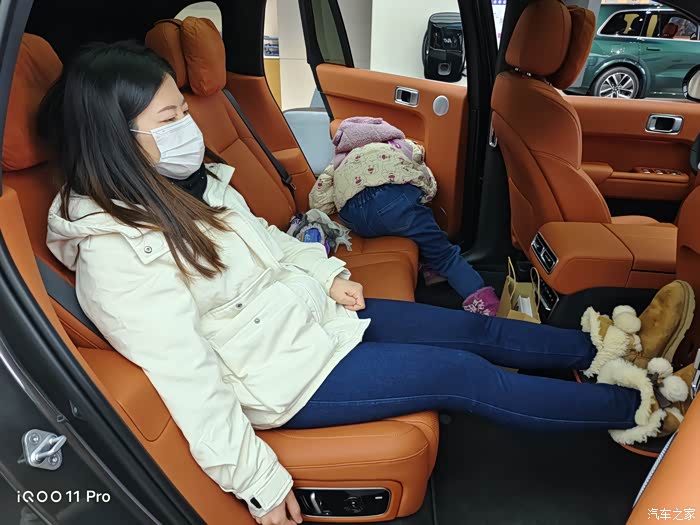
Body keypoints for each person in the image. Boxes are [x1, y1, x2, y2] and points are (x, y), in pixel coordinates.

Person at [40, 42, 694, 525]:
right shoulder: (114, 252)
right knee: (464, 375)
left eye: (186, 108)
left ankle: (608, 351)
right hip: (279, 376)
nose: (189, 126)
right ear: (116, 138)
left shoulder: (187, 183)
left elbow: (267, 241)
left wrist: (327, 277)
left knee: (469, 328)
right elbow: (184, 376)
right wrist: (257, 477)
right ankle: (646, 411)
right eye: (170, 116)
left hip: (307, 320)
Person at [309, 116, 499, 314]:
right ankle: (485, 304)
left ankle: (430, 267)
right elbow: (422, 172)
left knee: (399, 223)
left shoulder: (339, 162)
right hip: (396, 200)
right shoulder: (398, 145)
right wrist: (426, 194)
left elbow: (319, 200)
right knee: (441, 251)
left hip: (356, 217)